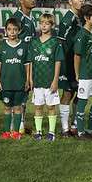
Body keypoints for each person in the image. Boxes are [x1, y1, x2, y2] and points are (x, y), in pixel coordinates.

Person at [29, 13, 64, 142]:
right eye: (42, 22)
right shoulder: (34, 43)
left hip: (50, 81)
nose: (43, 25)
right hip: (38, 80)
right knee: (38, 107)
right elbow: (31, 62)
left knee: (51, 107)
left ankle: (51, 132)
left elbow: (58, 61)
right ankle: (38, 132)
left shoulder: (55, 42)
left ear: (52, 25)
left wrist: (55, 80)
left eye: (47, 23)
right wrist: (30, 78)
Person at [0, 18, 32, 140]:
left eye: (15, 30)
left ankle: (16, 132)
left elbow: (27, 64)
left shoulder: (24, 46)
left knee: (18, 107)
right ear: (5, 30)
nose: (12, 32)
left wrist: (27, 80)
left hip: (19, 84)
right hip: (6, 83)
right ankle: (6, 132)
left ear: (19, 31)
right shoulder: (2, 45)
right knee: (6, 108)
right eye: (10, 29)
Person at [57, 0, 84, 137]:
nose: (81, 0)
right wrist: (61, 65)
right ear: (70, 2)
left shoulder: (79, 18)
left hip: (78, 62)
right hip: (68, 63)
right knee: (67, 93)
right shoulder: (67, 19)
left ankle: (74, 125)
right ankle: (64, 128)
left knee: (79, 92)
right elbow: (60, 43)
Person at [74, 4, 92, 140]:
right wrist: (77, 74)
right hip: (86, 74)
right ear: (86, 18)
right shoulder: (82, 34)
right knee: (83, 101)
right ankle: (80, 132)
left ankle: (90, 130)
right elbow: (77, 55)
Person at [11, 0, 38, 135]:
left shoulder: (31, 18)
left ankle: (20, 123)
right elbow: (10, 40)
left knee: (25, 94)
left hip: (30, 62)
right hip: (20, 63)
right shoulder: (17, 18)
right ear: (21, 0)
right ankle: (17, 126)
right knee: (19, 94)